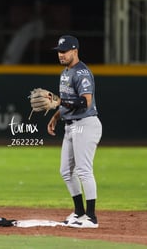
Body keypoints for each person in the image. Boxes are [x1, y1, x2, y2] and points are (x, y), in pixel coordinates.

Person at [47, 35, 102, 229]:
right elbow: (66, 101)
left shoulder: (82, 73)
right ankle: (79, 212)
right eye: (59, 51)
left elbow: (84, 101)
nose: (61, 55)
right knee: (65, 171)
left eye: (64, 51)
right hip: (70, 125)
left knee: (83, 170)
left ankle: (91, 217)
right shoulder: (64, 73)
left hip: (86, 124)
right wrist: (55, 117)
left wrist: (60, 103)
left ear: (75, 51)